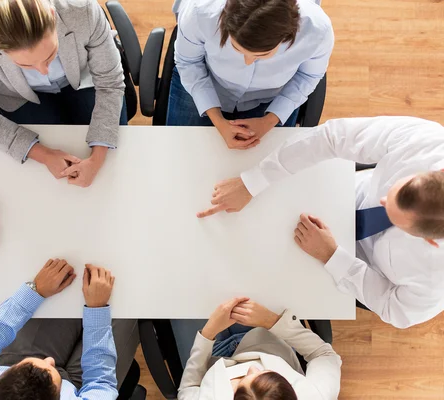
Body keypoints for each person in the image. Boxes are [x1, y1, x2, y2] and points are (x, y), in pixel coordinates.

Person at [198, 116, 444, 329]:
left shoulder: (436, 278)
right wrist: (253, 181)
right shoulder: (428, 142)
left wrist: (332, 256)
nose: (382, 200)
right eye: (392, 192)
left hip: (348, 268)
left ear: (431, 241)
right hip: (337, 191)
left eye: (394, 217)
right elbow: (332, 137)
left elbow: (395, 309)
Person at [0, 0, 127, 188]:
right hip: (17, 96)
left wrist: (97, 159)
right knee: (39, 180)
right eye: (26, 65)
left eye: (51, 55)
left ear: (53, 17)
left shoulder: (82, 8)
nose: (42, 71)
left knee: (115, 164)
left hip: (82, 79)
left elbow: (110, 83)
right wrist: (44, 155)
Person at [0, 259, 139, 400]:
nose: (50, 361)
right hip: (82, 389)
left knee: (63, 281)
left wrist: (35, 291)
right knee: (127, 301)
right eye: (50, 365)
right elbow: (101, 383)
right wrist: (97, 310)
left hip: (16, 363)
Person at [167, 0, 334, 151]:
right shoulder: (199, 11)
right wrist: (218, 120)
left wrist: (268, 121)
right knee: (180, 153)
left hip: (272, 97)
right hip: (206, 80)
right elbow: (189, 63)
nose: (248, 61)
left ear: (288, 35)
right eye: (237, 49)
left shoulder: (317, 30)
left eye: (263, 55)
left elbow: (307, 76)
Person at [176, 297, 341, 399]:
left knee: (182, 290)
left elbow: (188, 389)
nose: (254, 367)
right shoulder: (314, 397)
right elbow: (323, 354)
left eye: (242, 381)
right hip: (265, 335)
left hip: (210, 356)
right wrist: (271, 321)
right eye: (266, 373)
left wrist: (208, 333)